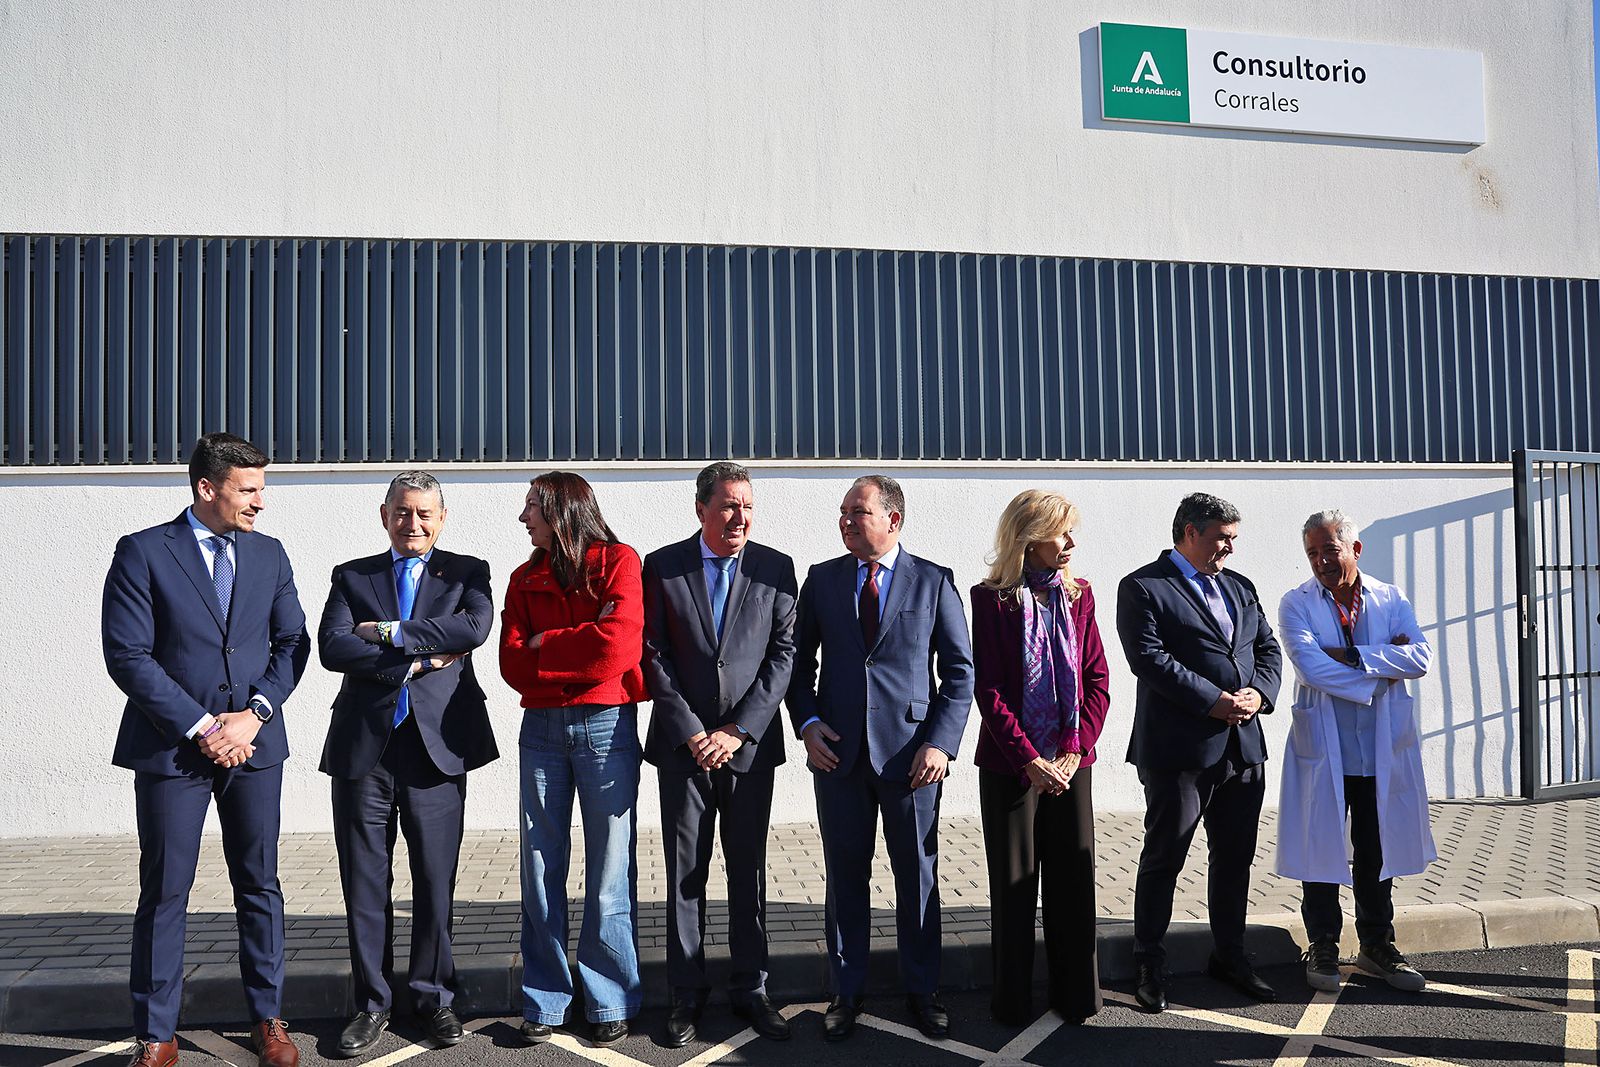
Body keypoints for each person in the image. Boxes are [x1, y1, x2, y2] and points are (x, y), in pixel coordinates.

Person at [101, 432, 309, 1067]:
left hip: (253, 747)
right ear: (206, 488)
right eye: (248, 490)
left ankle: (268, 1020)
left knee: (260, 883)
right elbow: (128, 655)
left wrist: (254, 715)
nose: (260, 502)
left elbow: (292, 643)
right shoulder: (142, 552)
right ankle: (157, 1034)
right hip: (172, 750)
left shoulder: (270, 553)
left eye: (261, 489)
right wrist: (201, 727)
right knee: (165, 889)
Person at [786, 474, 975, 1042]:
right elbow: (796, 665)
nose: (846, 520)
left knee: (916, 875)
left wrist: (940, 743)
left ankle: (923, 990)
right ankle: (846, 991)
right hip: (837, 758)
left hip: (913, 759)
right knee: (846, 876)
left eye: (858, 511)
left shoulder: (933, 580)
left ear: (893, 519)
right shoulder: (822, 579)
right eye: (843, 511)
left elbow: (959, 672)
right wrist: (808, 725)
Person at [316, 471, 497, 1056]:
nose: (411, 523)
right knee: (364, 881)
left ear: (441, 518)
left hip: (437, 747)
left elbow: (472, 628)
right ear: (384, 515)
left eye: (423, 513)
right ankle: (371, 1003)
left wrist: (388, 632)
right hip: (364, 750)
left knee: (435, 880)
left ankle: (433, 997)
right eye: (401, 512)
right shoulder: (353, 575)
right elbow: (333, 647)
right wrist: (416, 661)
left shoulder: (466, 572)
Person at [643, 462, 798, 1047]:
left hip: (748, 749)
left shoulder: (775, 567)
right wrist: (691, 731)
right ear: (701, 508)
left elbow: (784, 655)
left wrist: (737, 730)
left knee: (747, 869)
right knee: (685, 872)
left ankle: (751, 987)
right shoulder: (663, 566)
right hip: (684, 750)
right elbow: (652, 654)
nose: (740, 517)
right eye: (729, 505)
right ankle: (686, 993)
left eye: (748, 506)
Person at [1116, 492, 1282, 1013]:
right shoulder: (1144, 586)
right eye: (1222, 538)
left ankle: (1229, 956)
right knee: (1165, 857)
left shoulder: (1240, 586)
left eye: (1233, 539)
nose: (1230, 548)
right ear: (1190, 532)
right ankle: (1149, 962)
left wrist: (1259, 694)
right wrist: (1214, 701)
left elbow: (1267, 649)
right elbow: (1149, 659)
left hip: (1243, 748)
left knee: (1234, 859)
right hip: (1179, 751)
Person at [499, 472, 647, 1049]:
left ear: (560, 510)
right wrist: (578, 640)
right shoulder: (523, 578)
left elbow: (618, 647)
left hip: (606, 724)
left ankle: (610, 998)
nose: (522, 519)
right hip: (540, 728)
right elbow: (512, 664)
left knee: (610, 869)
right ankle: (547, 999)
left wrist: (547, 644)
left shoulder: (618, 562)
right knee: (539, 870)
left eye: (530, 507)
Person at [1276, 510, 1435, 993]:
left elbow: (1420, 657)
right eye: (1312, 553)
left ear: (1355, 550)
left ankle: (1377, 944)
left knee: (1375, 848)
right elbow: (1310, 667)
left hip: (1381, 746)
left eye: (1329, 550)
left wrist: (1349, 655)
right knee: (1320, 845)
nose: (1320, 561)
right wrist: (1383, 669)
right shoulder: (1296, 603)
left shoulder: (1391, 597)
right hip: (1326, 746)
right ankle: (1323, 942)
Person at [971, 490, 1110, 1027]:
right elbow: (990, 689)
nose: (1070, 542)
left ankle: (1076, 997)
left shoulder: (1080, 595)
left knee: (1073, 882)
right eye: (1060, 532)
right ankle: (1012, 1002)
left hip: (1072, 763)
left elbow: (1097, 679)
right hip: (1012, 764)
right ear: (1029, 538)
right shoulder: (991, 600)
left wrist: (1075, 749)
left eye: (1072, 531)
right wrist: (1029, 758)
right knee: (1014, 887)